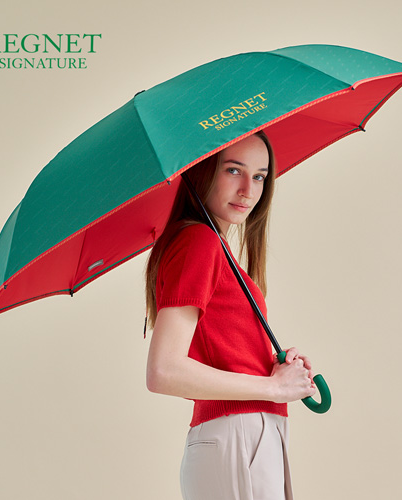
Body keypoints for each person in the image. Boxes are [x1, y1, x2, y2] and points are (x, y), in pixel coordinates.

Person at [145, 132, 316, 500]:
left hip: (245, 435)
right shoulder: (199, 241)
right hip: (238, 434)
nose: (248, 190)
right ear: (202, 171)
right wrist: (273, 387)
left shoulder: (212, 246)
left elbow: (219, 351)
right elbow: (164, 371)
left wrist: (272, 366)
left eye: (259, 176)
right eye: (234, 170)